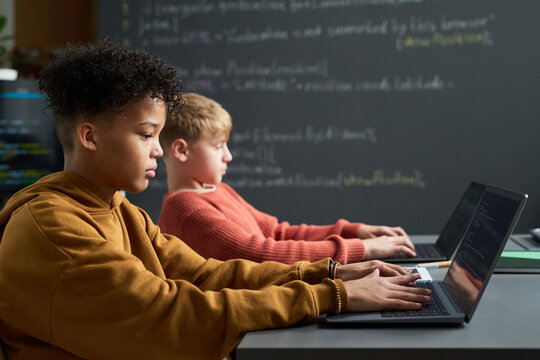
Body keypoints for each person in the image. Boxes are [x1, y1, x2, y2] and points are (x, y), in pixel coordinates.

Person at [0, 40, 430, 360]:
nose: (158, 150)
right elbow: (166, 316)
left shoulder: (117, 210)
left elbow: (206, 275)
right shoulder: (54, 229)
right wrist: (328, 296)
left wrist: (333, 273)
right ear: (89, 136)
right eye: (146, 135)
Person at [158, 93, 416, 265]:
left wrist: (355, 231)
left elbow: (278, 233)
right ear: (182, 150)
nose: (228, 156)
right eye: (218, 147)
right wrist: (365, 249)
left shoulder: (217, 190)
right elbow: (260, 254)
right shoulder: (187, 211)